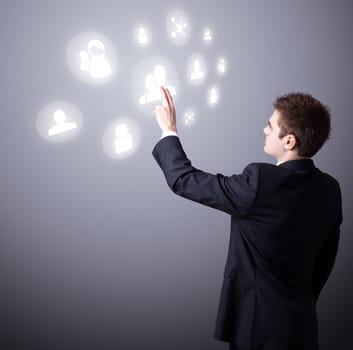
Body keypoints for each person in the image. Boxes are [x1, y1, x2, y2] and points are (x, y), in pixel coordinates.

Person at [152, 87, 342, 350]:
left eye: (270, 125)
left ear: (289, 141)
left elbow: (183, 180)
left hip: (257, 331)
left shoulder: (261, 183)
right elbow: (324, 264)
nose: (264, 130)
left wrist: (169, 130)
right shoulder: (331, 190)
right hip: (303, 328)